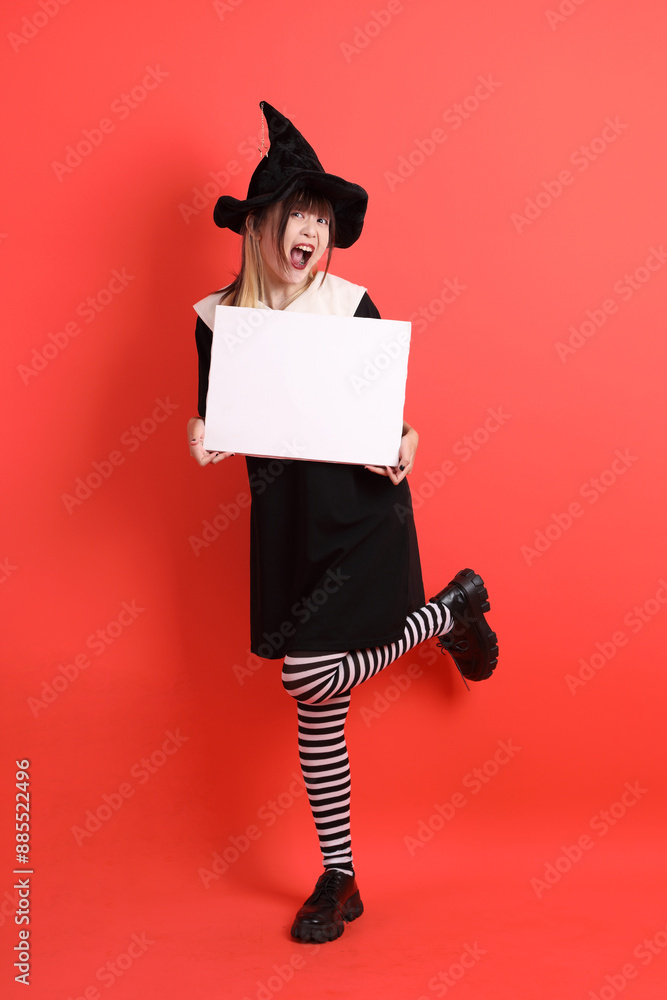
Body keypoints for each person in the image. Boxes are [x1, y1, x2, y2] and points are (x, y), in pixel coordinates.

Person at [187, 102, 499, 944]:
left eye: (320, 221)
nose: (310, 232)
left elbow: (387, 419)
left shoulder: (352, 304)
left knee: (307, 675)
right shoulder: (217, 319)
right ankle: (340, 877)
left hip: (360, 513)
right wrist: (200, 433)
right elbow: (216, 417)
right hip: (285, 523)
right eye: (296, 215)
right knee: (320, 710)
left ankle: (447, 612)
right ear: (257, 226)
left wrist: (405, 439)